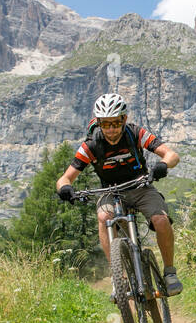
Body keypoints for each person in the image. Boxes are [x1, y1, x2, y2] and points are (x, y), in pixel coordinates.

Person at [55, 93, 183, 295]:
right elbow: (65, 178)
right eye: (106, 124)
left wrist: (163, 165)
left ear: (124, 119)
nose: (111, 129)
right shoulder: (91, 145)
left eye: (115, 123)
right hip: (110, 192)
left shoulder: (135, 133)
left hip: (141, 187)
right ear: (99, 123)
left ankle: (169, 273)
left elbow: (172, 155)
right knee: (104, 217)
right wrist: (65, 189)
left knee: (161, 220)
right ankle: (119, 278)